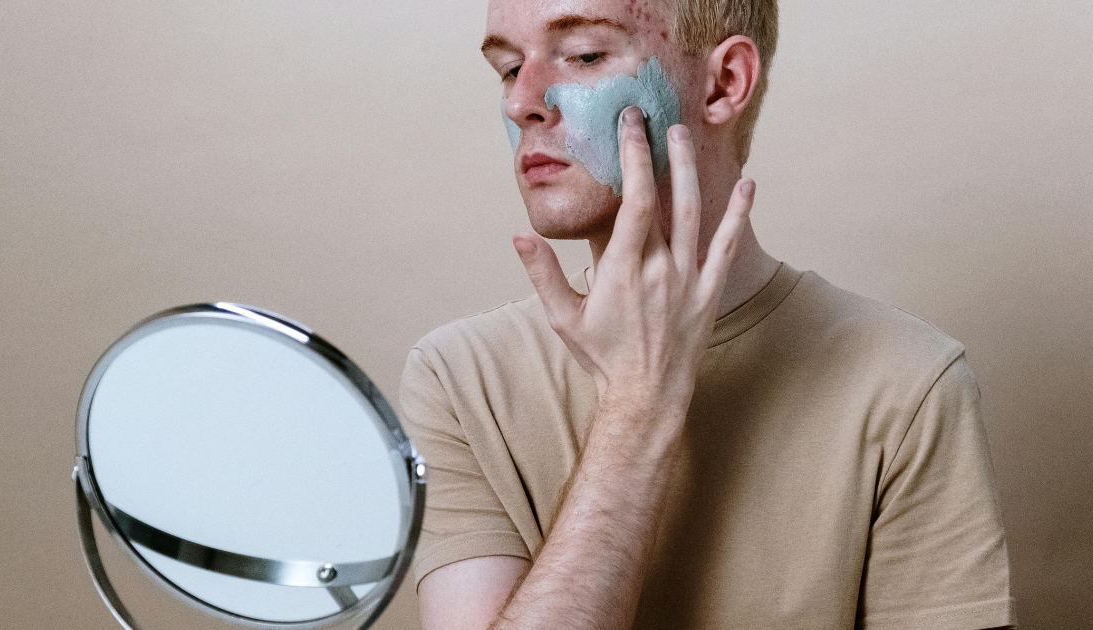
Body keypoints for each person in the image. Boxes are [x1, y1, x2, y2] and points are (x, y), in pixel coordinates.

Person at [398, 0, 1016, 628]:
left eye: (584, 56)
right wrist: (637, 409)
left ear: (725, 84)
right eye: (507, 68)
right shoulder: (457, 379)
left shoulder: (907, 385)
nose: (521, 101)